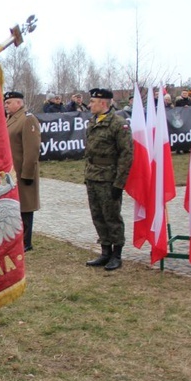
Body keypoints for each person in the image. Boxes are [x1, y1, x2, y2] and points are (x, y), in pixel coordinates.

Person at [83, 88, 133, 271]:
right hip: (93, 176)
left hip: (109, 178)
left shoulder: (118, 124)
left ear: (103, 103)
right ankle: (105, 252)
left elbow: (126, 155)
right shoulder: (93, 122)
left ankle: (116, 254)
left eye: (92, 102)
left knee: (112, 217)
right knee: (97, 215)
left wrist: (119, 183)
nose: (89, 105)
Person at [5, 91, 41, 252]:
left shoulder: (27, 119)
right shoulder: (10, 119)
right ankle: (17, 237)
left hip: (23, 171)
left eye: (9, 103)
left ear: (18, 103)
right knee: (15, 205)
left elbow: (32, 149)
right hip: (11, 171)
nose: (6, 105)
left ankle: (26, 241)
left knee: (26, 206)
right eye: (5, 103)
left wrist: (27, 173)